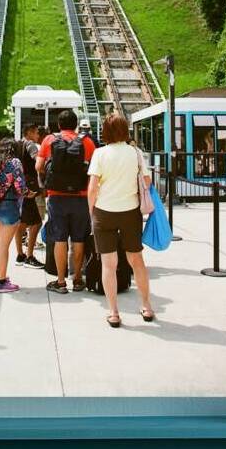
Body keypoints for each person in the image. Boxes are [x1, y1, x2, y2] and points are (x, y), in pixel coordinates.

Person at [87, 113, 155, 327]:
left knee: (109, 265)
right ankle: (146, 306)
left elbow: (92, 188)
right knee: (137, 261)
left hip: (104, 212)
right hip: (130, 211)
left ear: (105, 132)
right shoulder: (135, 153)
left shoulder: (99, 153)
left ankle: (114, 313)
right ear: (125, 130)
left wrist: (92, 213)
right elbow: (147, 180)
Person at [36, 110, 96, 294]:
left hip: (56, 196)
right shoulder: (87, 142)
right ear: (76, 125)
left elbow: (38, 166)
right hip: (81, 196)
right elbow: (94, 169)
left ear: (59, 125)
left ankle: (61, 282)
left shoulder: (49, 140)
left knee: (60, 238)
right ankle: (77, 279)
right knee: (79, 239)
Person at [0, 138, 27, 293]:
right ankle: (2, 283)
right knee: (4, 245)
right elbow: (20, 187)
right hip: (9, 205)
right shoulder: (14, 162)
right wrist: (29, 193)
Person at [14, 124, 44, 269]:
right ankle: (29, 256)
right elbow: (38, 162)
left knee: (21, 223)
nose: (38, 135)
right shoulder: (31, 145)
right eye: (37, 132)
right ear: (30, 132)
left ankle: (20, 254)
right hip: (29, 189)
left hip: (18, 188)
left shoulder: (16, 144)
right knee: (37, 223)